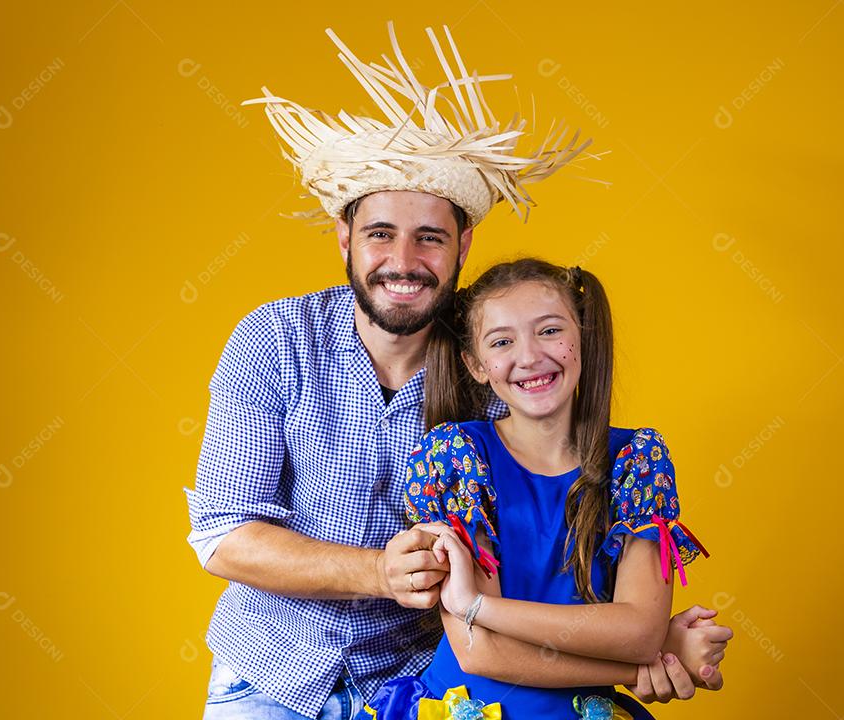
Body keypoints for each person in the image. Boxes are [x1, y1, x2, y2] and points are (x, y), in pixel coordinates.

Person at [185, 23, 725, 720]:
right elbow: (225, 535)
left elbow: (542, 557)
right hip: (271, 674)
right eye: (380, 233)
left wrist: (653, 643)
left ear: (463, 243)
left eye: (430, 237)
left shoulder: (493, 368)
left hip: (420, 685)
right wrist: (380, 570)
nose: (404, 260)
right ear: (344, 238)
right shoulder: (274, 340)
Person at [367, 259, 733, 719]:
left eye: (549, 331)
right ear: (477, 365)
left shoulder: (638, 459)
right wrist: (653, 652)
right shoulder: (455, 455)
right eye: (502, 341)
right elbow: (481, 653)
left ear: (582, 337)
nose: (530, 356)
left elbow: (637, 628)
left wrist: (476, 605)